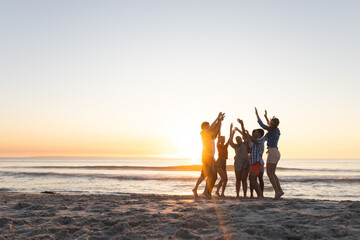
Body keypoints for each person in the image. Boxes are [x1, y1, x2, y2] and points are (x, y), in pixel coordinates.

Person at [193, 112, 225, 198]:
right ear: (204, 127)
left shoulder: (210, 135)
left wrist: (220, 121)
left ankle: (206, 192)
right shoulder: (203, 133)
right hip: (206, 156)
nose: (209, 126)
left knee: (213, 176)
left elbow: (216, 130)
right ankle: (196, 189)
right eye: (208, 125)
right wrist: (217, 118)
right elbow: (212, 128)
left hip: (210, 156)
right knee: (205, 174)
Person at [255, 107, 283, 199]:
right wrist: (266, 117)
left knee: (270, 173)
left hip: (272, 152)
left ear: (272, 124)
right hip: (275, 152)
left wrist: (257, 115)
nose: (269, 123)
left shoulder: (271, 130)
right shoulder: (276, 130)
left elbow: (263, 125)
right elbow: (269, 126)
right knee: (272, 173)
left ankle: (277, 192)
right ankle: (279, 190)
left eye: (270, 122)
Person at [238, 118, 265, 199]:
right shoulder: (254, 141)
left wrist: (247, 133)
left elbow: (248, 136)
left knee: (253, 178)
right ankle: (259, 195)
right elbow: (249, 150)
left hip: (257, 162)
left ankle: (260, 195)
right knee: (251, 179)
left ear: (260, 134)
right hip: (253, 162)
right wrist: (246, 142)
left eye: (256, 133)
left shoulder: (260, 140)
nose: (254, 134)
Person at [230, 123, 250, 198]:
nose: (238, 140)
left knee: (244, 179)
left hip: (245, 163)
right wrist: (231, 132)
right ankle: (237, 194)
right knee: (238, 180)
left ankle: (245, 195)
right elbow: (230, 142)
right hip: (237, 164)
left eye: (239, 139)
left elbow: (245, 135)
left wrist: (240, 127)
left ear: (241, 139)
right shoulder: (235, 146)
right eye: (237, 139)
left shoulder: (245, 144)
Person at [215, 128, 230, 197]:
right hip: (219, 162)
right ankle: (217, 191)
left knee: (225, 179)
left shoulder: (225, 146)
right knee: (223, 178)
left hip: (224, 162)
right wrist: (220, 126)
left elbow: (230, 139)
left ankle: (222, 193)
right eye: (222, 139)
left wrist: (230, 129)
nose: (223, 140)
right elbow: (219, 136)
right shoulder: (218, 145)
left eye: (224, 139)